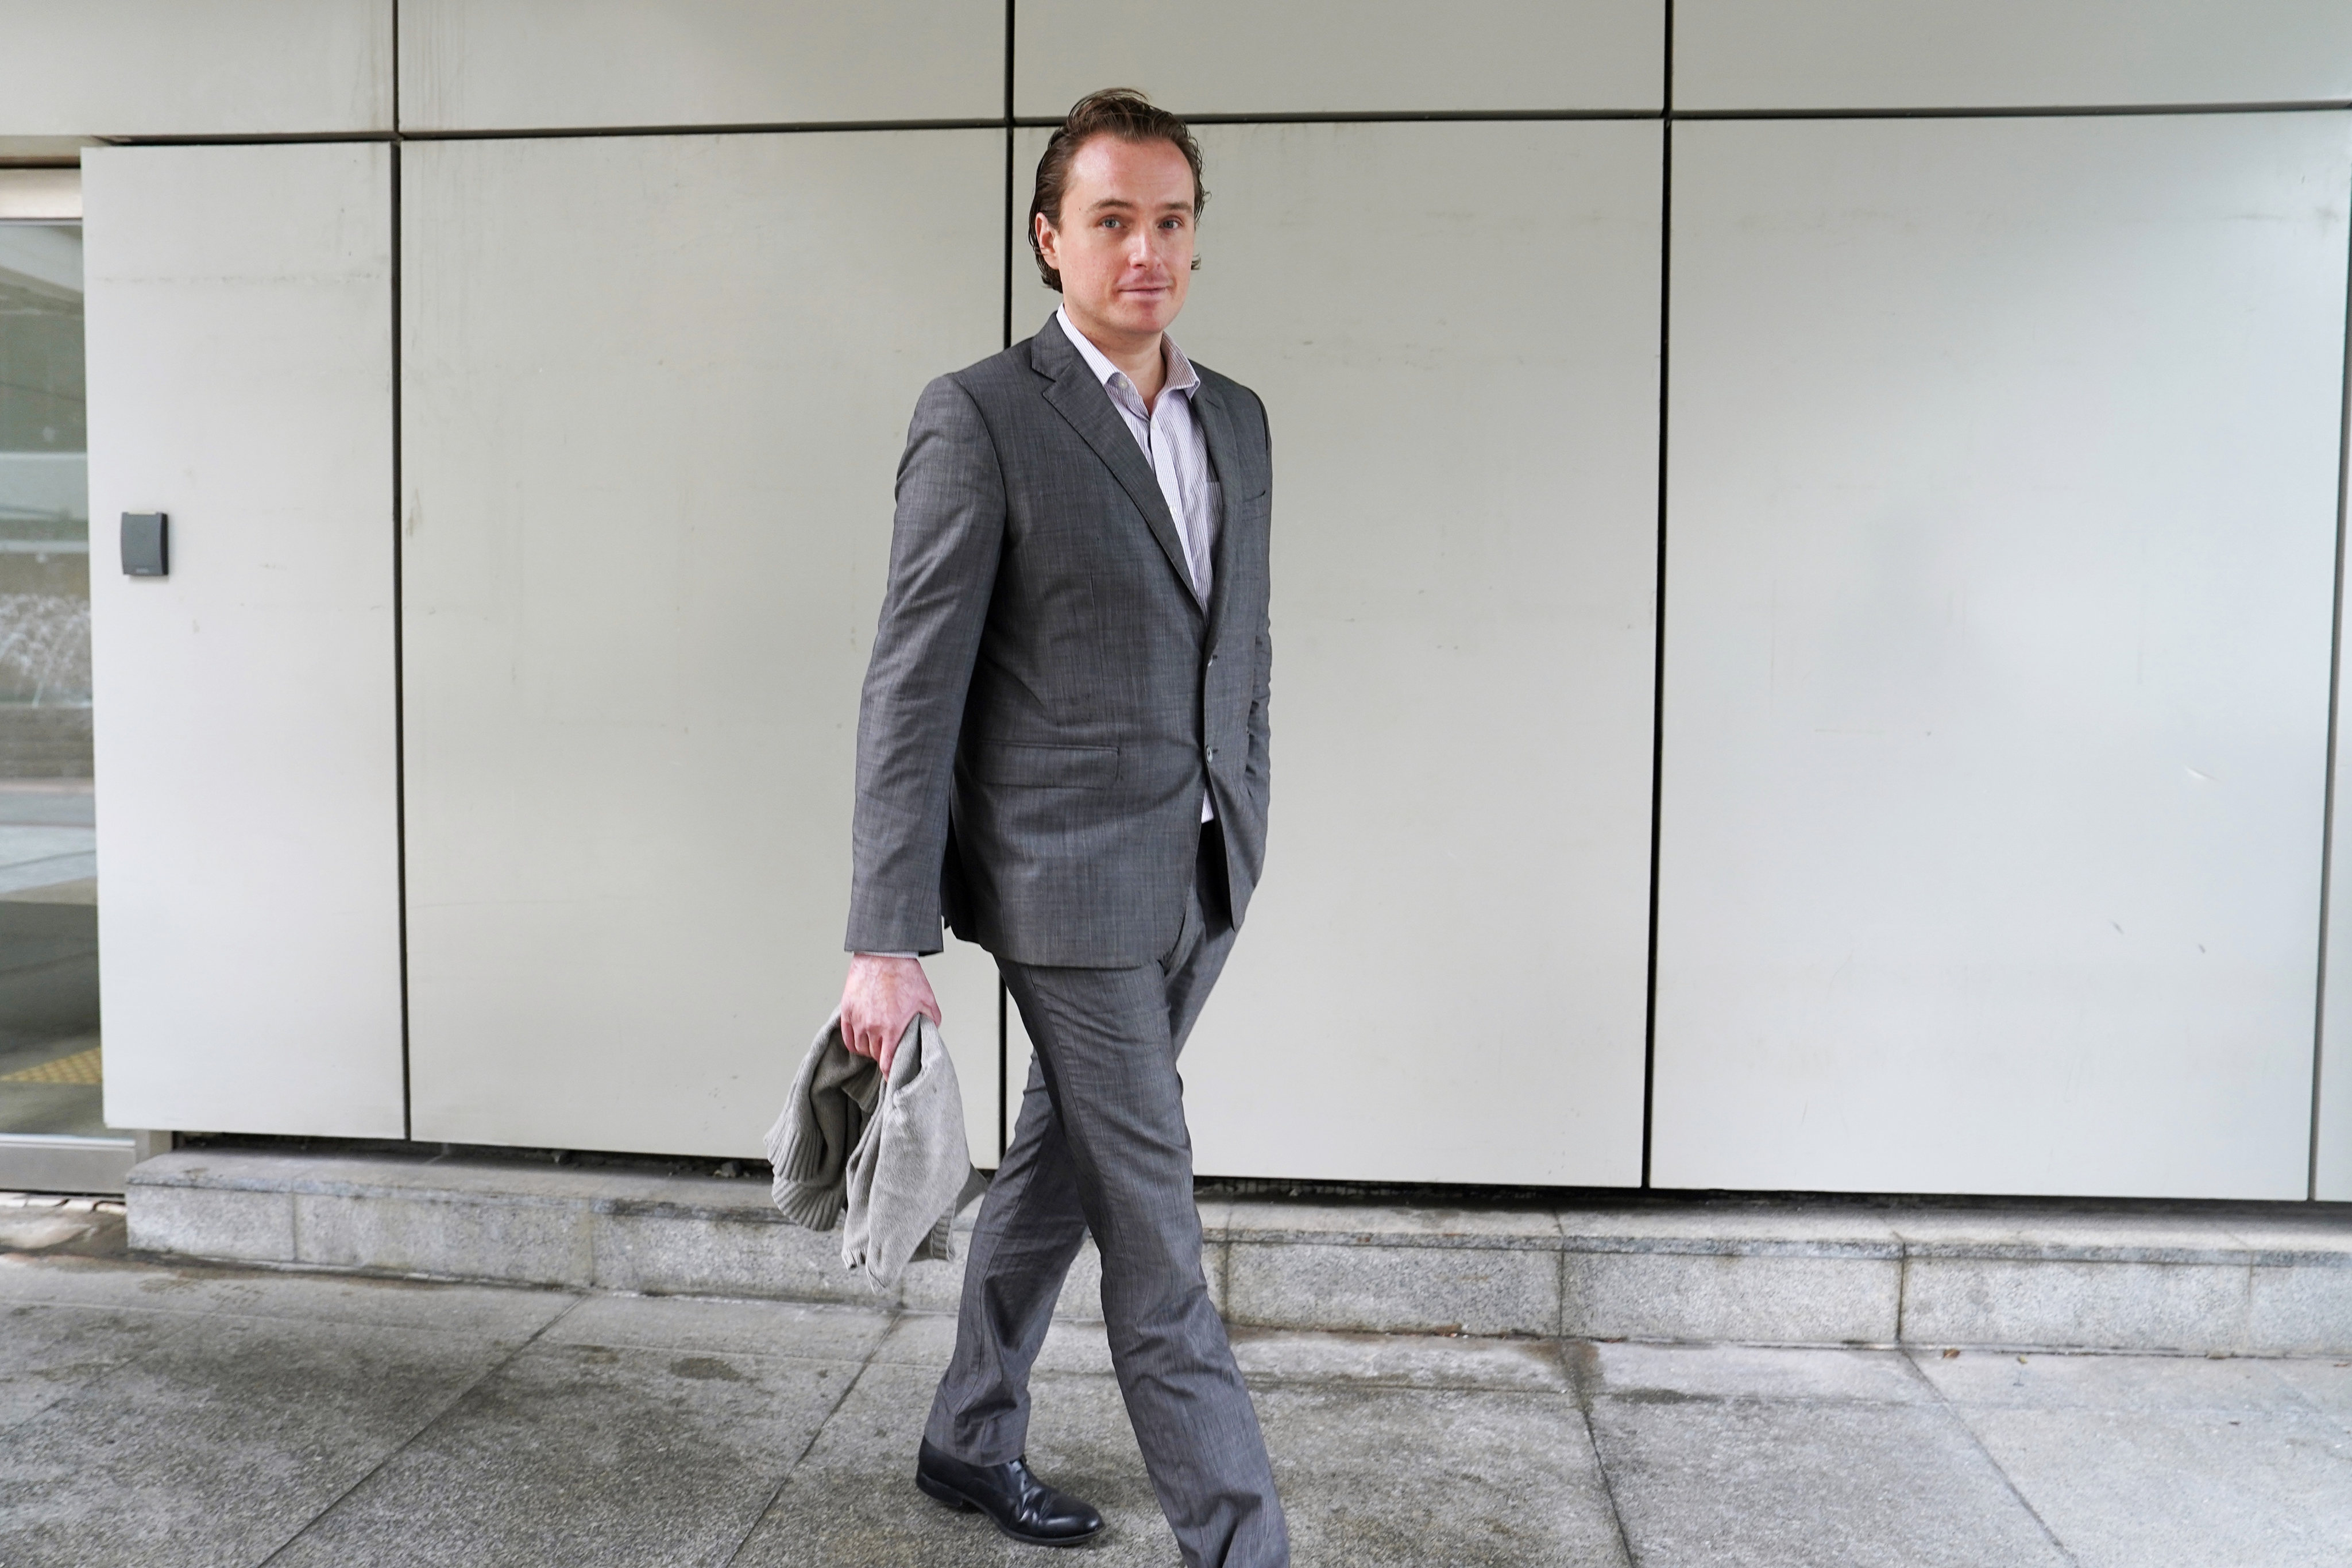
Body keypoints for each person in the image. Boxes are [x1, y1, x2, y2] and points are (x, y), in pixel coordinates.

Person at [836, 87, 1287, 1568]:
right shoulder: (980, 416)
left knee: (1062, 1168)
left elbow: (1241, 646)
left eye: (1169, 222)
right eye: (1112, 221)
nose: (1144, 250)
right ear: (1050, 239)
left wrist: (1247, 799)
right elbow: (914, 685)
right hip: (1063, 891)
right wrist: (885, 937)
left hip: (1201, 871)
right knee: (1157, 1240)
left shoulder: (1238, 421)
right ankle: (1240, 1541)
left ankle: (969, 1440)